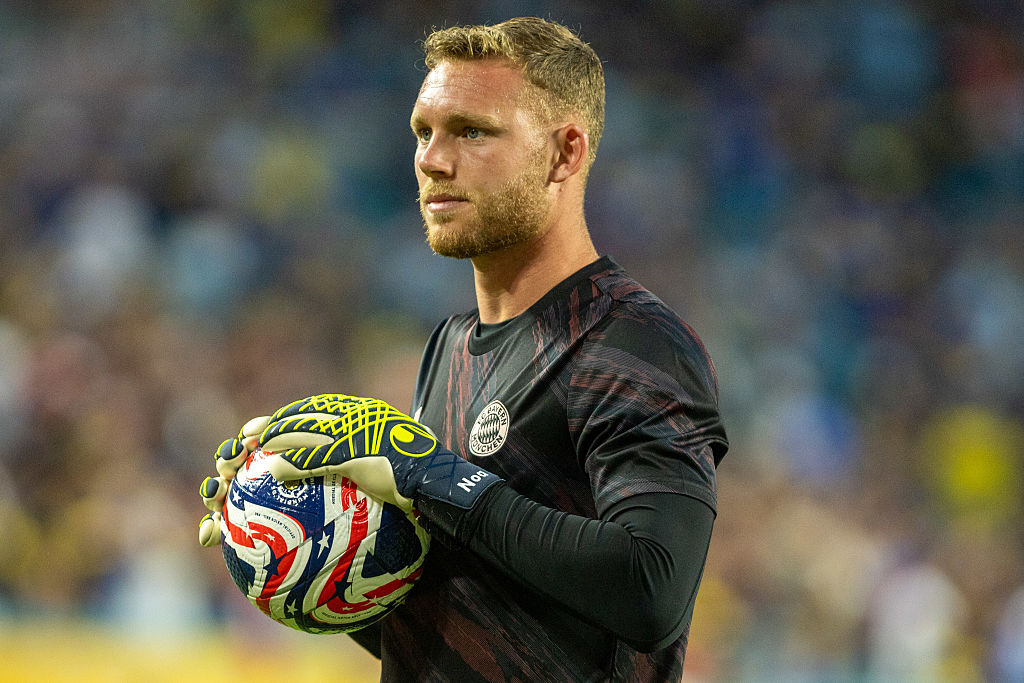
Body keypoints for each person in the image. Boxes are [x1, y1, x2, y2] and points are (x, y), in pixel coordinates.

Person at [199, 17, 727, 682]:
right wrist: (304, 544)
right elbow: (470, 628)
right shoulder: (450, 347)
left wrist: (433, 477)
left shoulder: (631, 340)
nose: (432, 159)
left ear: (564, 153)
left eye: (472, 131)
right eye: (424, 132)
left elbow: (652, 588)